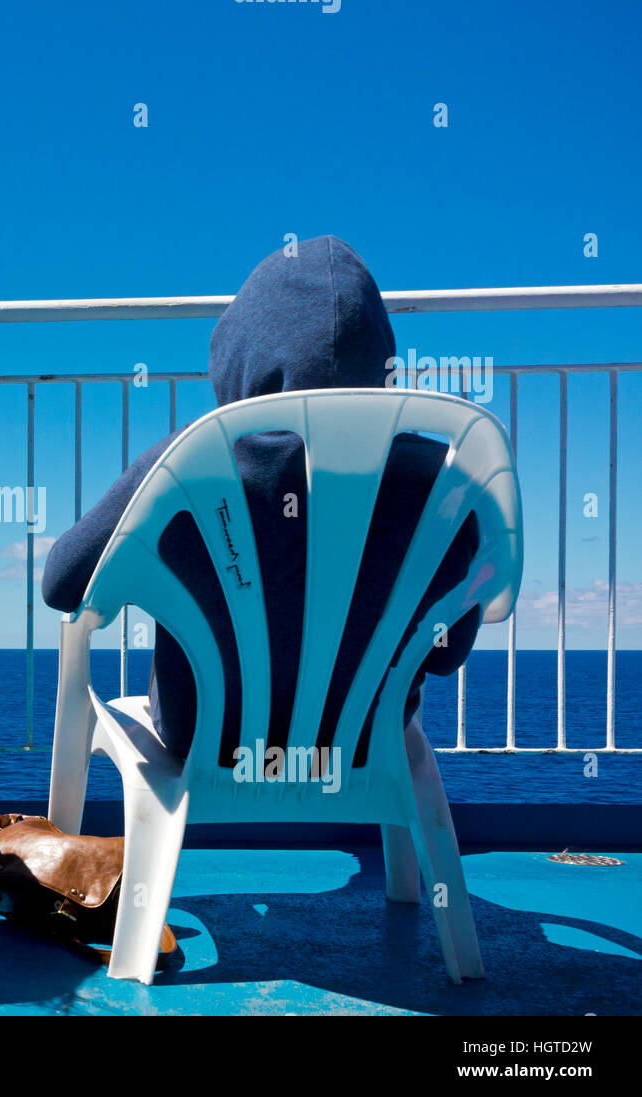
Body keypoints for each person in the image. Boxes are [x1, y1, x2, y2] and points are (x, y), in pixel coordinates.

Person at [42, 236, 479, 768]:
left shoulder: (184, 463)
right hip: (363, 745)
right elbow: (446, 654)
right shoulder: (443, 482)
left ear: (242, 352)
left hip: (207, 737)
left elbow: (62, 582)